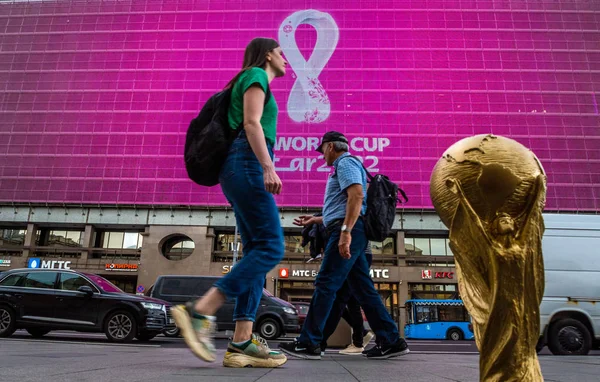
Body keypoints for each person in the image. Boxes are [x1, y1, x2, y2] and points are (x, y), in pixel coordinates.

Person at [171, 37, 288, 368]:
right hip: (248, 161)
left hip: (236, 166)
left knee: (255, 251)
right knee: (271, 247)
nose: (286, 60)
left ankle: (241, 342)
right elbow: (252, 124)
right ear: (267, 54)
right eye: (281, 53)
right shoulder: (256, 75)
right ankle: (200, 311)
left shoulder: (249, 78)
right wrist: (268, 166)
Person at [279, 131, 410, 360]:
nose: (322, 157)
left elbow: (357, 197)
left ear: (330, 146)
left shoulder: (345, 162)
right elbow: (343, 205)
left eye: (322, 151)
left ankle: (309, 342)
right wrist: (318, 219)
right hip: (349, 227)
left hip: (350, 230)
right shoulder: (347, 164)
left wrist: (345, 233)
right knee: (363, 290)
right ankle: (391, 340)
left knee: (326, 283)